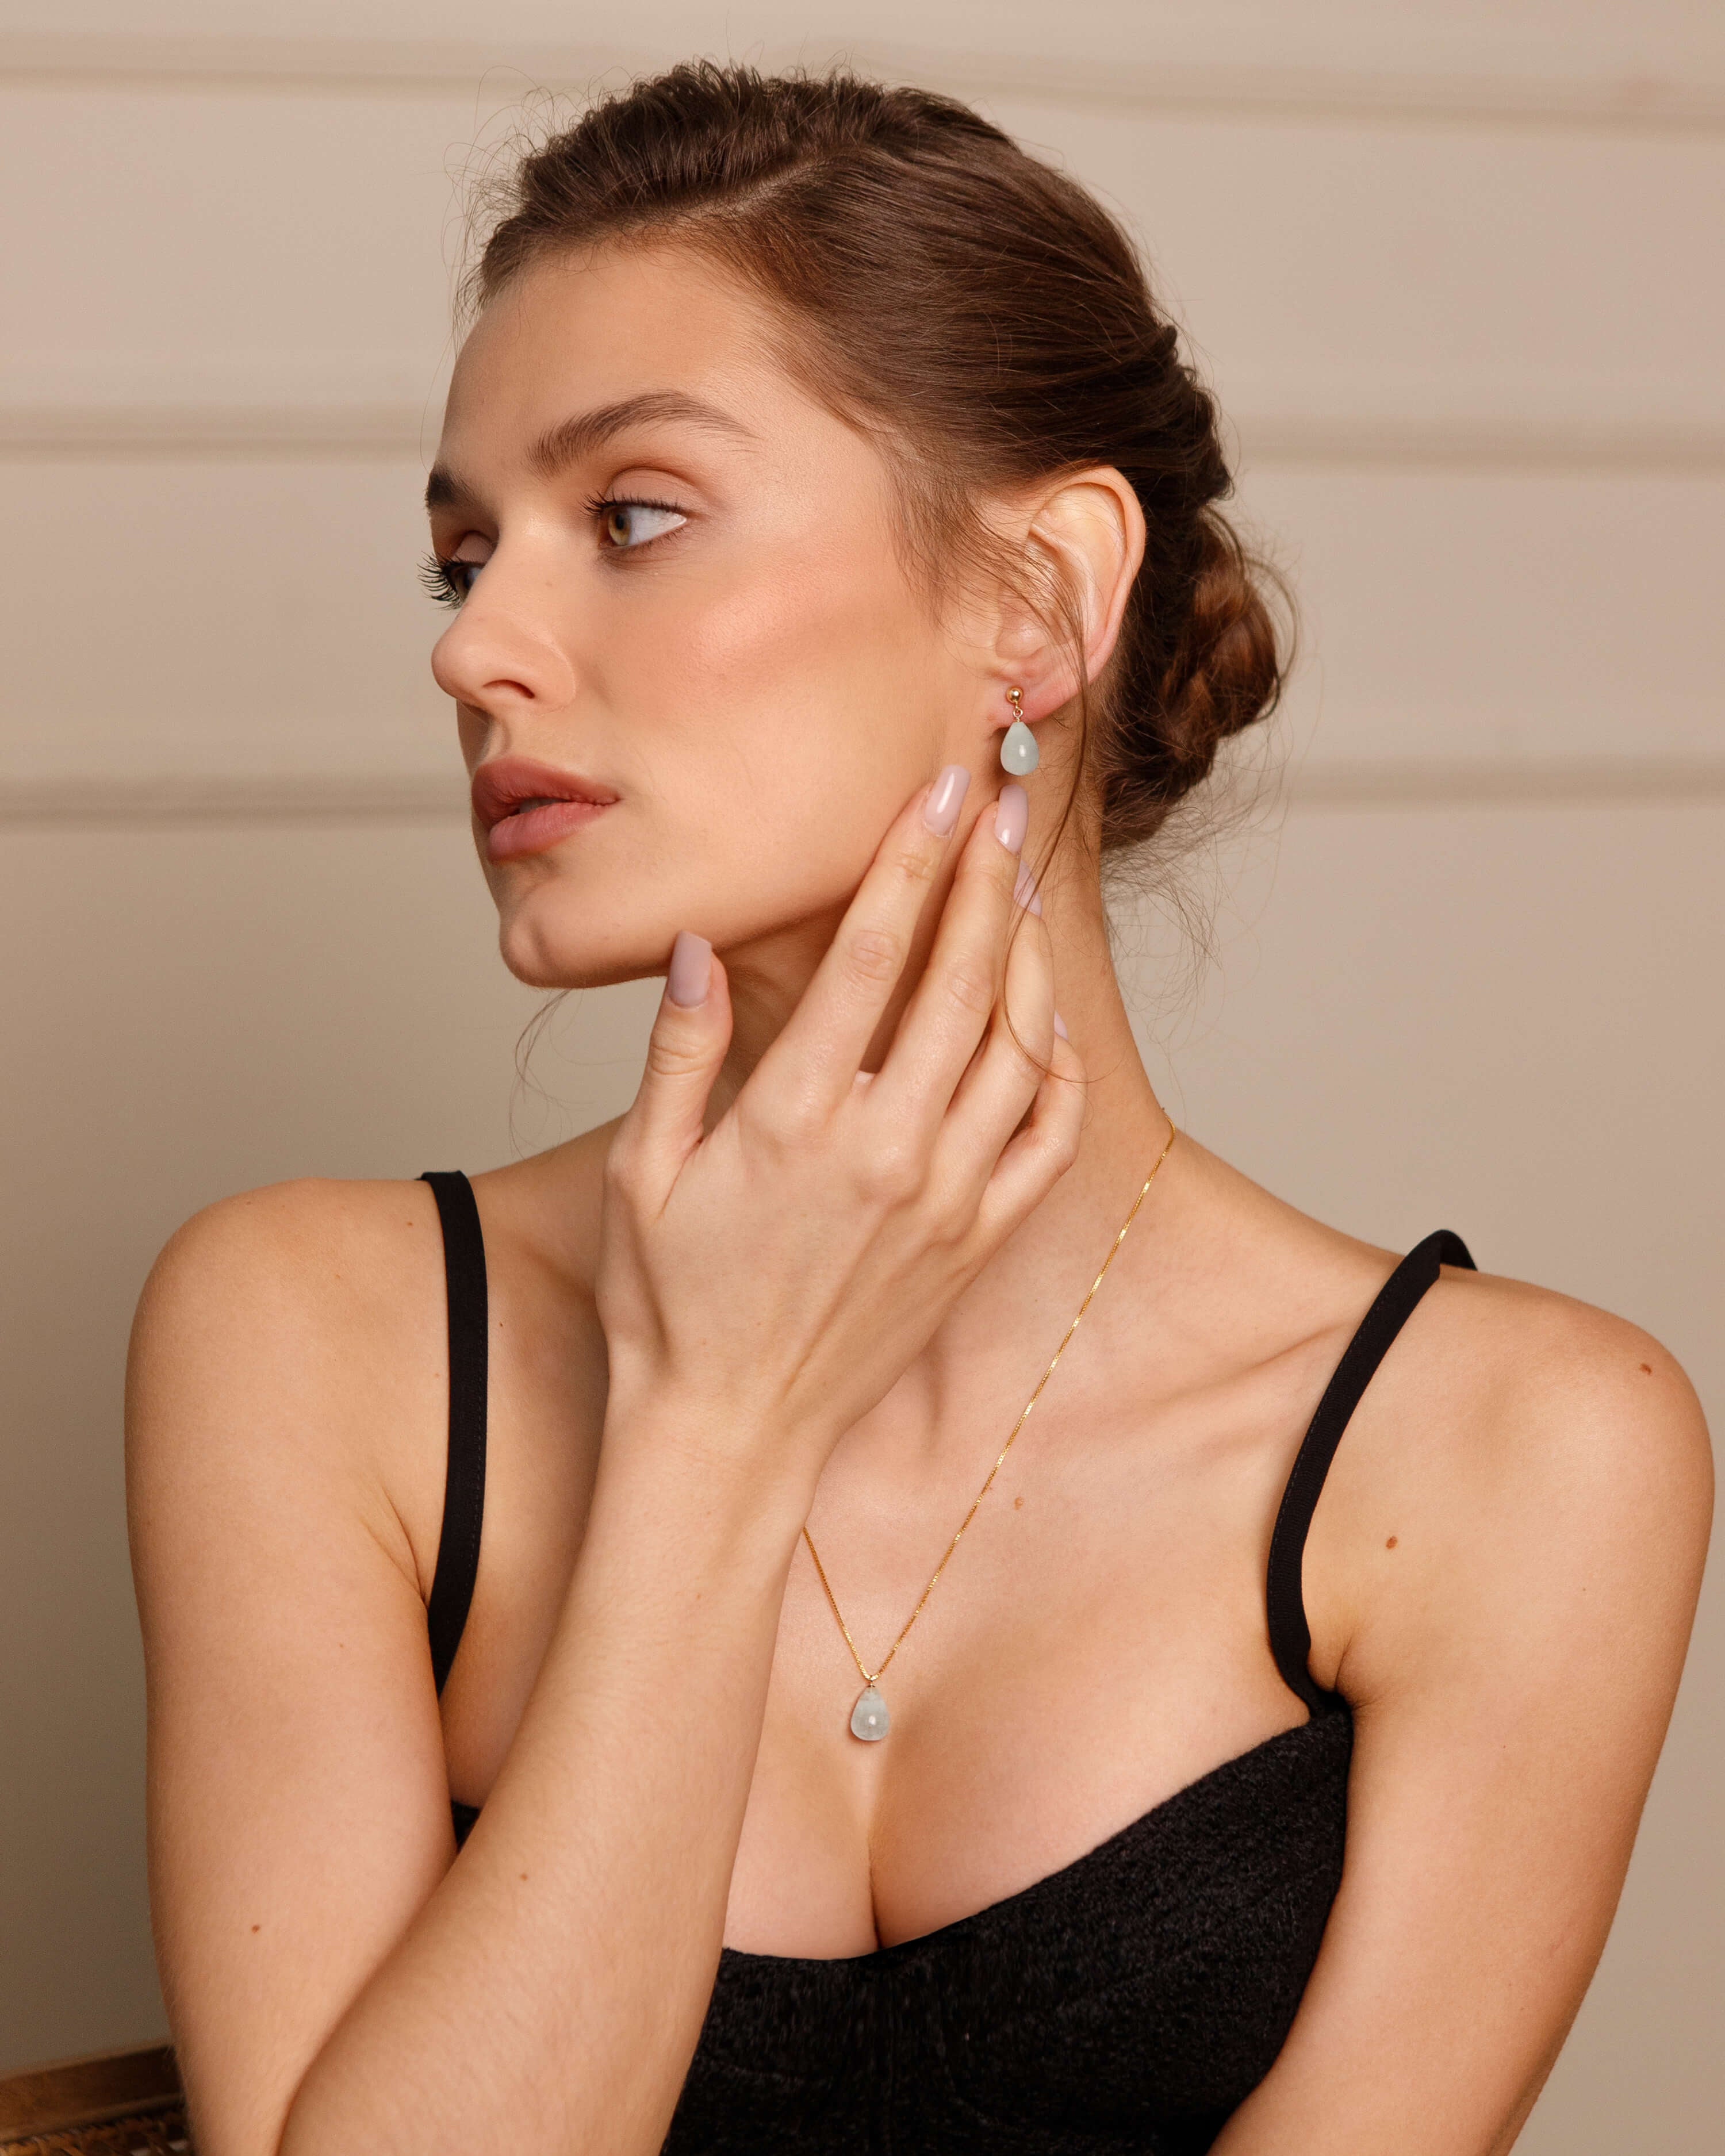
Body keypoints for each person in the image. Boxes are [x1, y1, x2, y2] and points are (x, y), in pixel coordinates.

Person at [126, 61, 1711, 2156]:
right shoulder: (309, 1339)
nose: (481, 649)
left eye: (630, 518)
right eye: (461, 560)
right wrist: (719, 1430)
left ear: (1039, 598)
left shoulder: (1522, 1454)